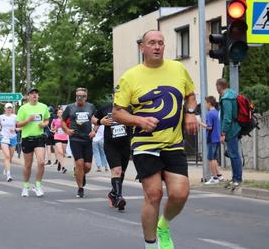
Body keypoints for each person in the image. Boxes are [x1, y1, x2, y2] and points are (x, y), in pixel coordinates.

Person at [112, 30, 198, 249]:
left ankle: (163, 225)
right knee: (154, 194)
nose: (157, 47)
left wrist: (189, 113)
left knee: (180, 194)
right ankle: (151, 245)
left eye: (161, 43)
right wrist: (139, 121)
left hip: (173, 143)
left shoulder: (177, 68)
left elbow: (190, 95)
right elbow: (117, 113)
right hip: (145, 144)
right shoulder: (130, 76)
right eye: (152, 43)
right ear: (143, 47)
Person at [94, 102, 131, 211]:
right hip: (111, 146)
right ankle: (119, 197)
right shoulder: (106, 107)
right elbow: (93, 118)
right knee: (117, 171)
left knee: (122, 172)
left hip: (125, 145)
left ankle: (113, 194)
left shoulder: (129, 108)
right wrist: (100, 121)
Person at [61, 87, 96, 198]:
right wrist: (67, 130)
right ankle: (80, 188)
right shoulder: (70, 108)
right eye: (78, 96)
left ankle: (80, 174)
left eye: (82, 96)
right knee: (80, 163)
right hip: (75, 138)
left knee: (88, 166)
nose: (80, 98)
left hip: (87, 139)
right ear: (75, 97)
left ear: (86, 97)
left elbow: (97, 120)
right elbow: (61, 121)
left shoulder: (91, 107)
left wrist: (94, 131)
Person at [17, 88, 50, 197]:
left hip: (39, 138)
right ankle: (26, 186)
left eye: (36, 93)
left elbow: (47, 120)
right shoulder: (23, 108)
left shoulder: (43, 107)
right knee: (28, 165)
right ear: (28, 96)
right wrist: (28, 120)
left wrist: (44, 124)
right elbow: (18, 125)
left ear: (38, 96)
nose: (34, 95)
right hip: (27, 139)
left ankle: (38, 185)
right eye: (32, 93)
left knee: (41, 162)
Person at [216, 78, 242, 188]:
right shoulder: (232, 94)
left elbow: (227, 118)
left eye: (216, 86)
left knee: (234, 155)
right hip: (235, 128)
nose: (216, 88)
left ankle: (237, 179)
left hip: (231, 130)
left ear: (219, 86)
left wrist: (223, 133)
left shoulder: (226, 99)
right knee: (233, 154)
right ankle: (235, 177)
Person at [198, 96, 223, 184]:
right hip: (217, 138)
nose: (204, 104)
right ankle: (219, 176)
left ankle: (214, 178)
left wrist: (200, 123)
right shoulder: (217, 112)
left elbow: (209, 127)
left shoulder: (209, 114)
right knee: (214, 158)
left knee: (210, 158)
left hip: (211, 138)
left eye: (205, 103)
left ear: (209, 103)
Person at [0, 103, 18, 182]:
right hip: (4, 137)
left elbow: (20, 126)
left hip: (13, 138)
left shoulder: (15, 117)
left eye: (10, 108)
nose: (9, 109)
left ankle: (6, 168)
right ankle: (8, 175)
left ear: (12, 109)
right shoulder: (1, 117)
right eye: (7, 108)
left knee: (10, 157)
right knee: (7, 156)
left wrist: (15, 129)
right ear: (4, 109)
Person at [51, 108, 68, 173]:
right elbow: (51, 128)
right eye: (59, 112)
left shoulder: (66, 120)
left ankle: (60, 162)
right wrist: (54, 129)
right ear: (57, 114)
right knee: (60, 152)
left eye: (61, 112)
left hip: (65, 137)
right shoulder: (54, 120)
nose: (60, 113)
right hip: (57, 137)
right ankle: (63, 167)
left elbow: (69, 127)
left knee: (63, 153)